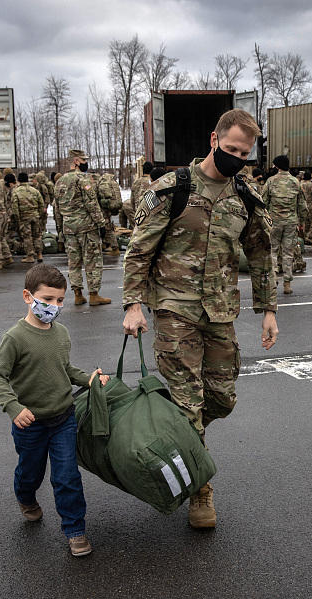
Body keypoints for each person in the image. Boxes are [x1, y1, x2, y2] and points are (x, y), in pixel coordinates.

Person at [122, 108, 278, 529]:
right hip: (174, 311)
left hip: (220, 311)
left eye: (244, 154)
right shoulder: (172, 189)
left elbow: (262, 256)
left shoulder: (245, 196)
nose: (237, 159)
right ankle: (200, 491)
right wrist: (133, 305)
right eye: (231, 150)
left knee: (221, 397)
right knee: (189, 402)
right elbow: (139, 251)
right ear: (213, 140)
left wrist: (268, 310)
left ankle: (174, 427)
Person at [0, 264, 110, 557]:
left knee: (67, 476)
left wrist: (89, 379)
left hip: (63, 419)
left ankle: (75, 530)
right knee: (31, 473)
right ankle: (26, 498)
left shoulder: (62, 333)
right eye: (47, 299)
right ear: (28, 296)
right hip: (29, 424)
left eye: (59, 300)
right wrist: (13, 407)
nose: (54, 306)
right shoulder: (15, 338)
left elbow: (64, 369)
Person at [54, 150, 110, 305]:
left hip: (69, 229)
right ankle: (94, 294)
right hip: (86, 227)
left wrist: (60, 229)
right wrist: (101, 223)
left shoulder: (60, 181)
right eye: (84, 160)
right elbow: (91, 203)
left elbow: (56, 208)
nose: (86, 163)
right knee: (92, 261)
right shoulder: (83, 179)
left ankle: (78, 294)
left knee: (74, 262)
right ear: (77, 161)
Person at [262, 155, 309, 295]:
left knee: (273, 251)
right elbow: (302, 205)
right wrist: (302, 222)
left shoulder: (270, 181)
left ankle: (274, 278)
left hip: (274, 222)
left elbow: (263, 202)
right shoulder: (296, 182)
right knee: (288, 253)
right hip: (291, 222)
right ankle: (287, 283)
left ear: (276, 166)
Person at [12, 172, 46, 264]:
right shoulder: (34, 190)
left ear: (19, 180)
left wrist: (18, 219)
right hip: (35, 216)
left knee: (27, 237)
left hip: (24, 217)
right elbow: (41, 204)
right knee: (37, 235)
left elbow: (15, 207)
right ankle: (39, 254)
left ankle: (30, 255)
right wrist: (38, 214)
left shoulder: (16, 191)